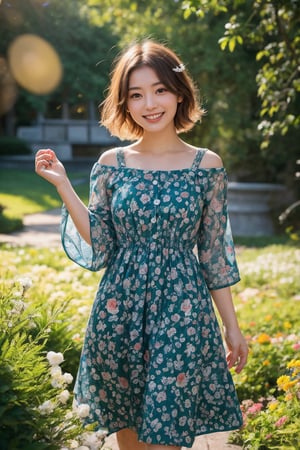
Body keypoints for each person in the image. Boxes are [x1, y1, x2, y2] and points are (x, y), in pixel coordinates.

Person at [35, 39, 248, 450]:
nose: (150, 103)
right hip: (120, 312)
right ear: (125, 103)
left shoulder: (207, 166)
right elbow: (100, 242)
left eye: (160, 89)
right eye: (137, 94)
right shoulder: (112, 165)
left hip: (183, 312)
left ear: (179, 93)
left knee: (167, 436)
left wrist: (232, 327)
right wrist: (64, 185)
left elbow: (213, 254)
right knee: (130, 442)